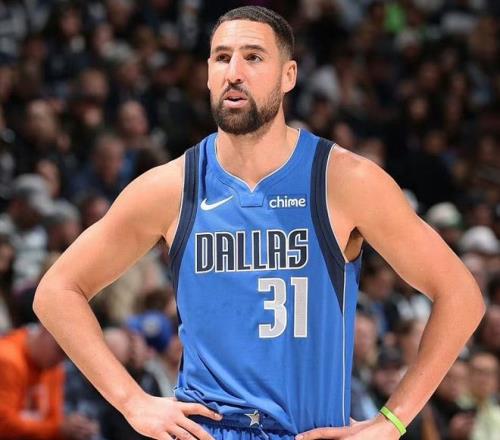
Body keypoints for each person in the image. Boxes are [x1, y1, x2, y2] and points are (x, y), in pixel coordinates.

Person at [33, 6, 485, 440]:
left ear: (288, 76)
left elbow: (460, 296)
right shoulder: (171, 186)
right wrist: (132, 401)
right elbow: (57, 291)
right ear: (207, 74)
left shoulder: (345, 180)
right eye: (221, 57)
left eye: (253, 57)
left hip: (308, 431)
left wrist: (392, 421)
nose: (234, 71)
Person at [0, 323, 99, 439]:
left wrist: (73, 428)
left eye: (67, 357)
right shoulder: (8, 359)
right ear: (45, 328)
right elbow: (3, 425)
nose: (60, 360)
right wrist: (58, 430)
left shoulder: (54, 369)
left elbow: (54, 420)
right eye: (60, 350)